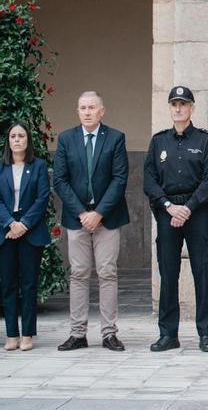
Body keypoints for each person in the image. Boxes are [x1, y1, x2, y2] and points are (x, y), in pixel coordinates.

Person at [143, 86, 208, 352]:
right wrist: (168, 206)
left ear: (192, 108)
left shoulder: (205, 141)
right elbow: (149, 180)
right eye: (174, 104)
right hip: (167, 213)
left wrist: (186, 208)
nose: (178, 108)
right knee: (168, 273)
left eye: (183, 104)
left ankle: (206, 334)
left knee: (202, 272)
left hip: (196, 212)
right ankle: (168, 334)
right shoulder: (159, 141)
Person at [54, 91, 130, 352]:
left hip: (107, 219)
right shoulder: (66, 139)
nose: (87, 112)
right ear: (77, 111)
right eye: (83, 108)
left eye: (92, 107)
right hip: (77, 219)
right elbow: (60, 181)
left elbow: (120, 179)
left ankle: (109, 334)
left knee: (108, 273)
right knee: (78, 274)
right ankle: (78, 334)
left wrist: (98, 213)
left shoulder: (116, 138)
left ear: (102, 111)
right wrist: (82, 213)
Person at [1, 123, 50, 351]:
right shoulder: (1, 167)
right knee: (8, 284)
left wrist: (24, 224)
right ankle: (11, 334)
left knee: (29, 284)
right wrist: (10, 223)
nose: (17, 140)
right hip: (6, 231)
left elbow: (42, 198)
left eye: (21, 136)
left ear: (28, 140)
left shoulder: (38, 166)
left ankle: (28, 334)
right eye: (13, 136)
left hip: (31, 231)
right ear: (8, 141)